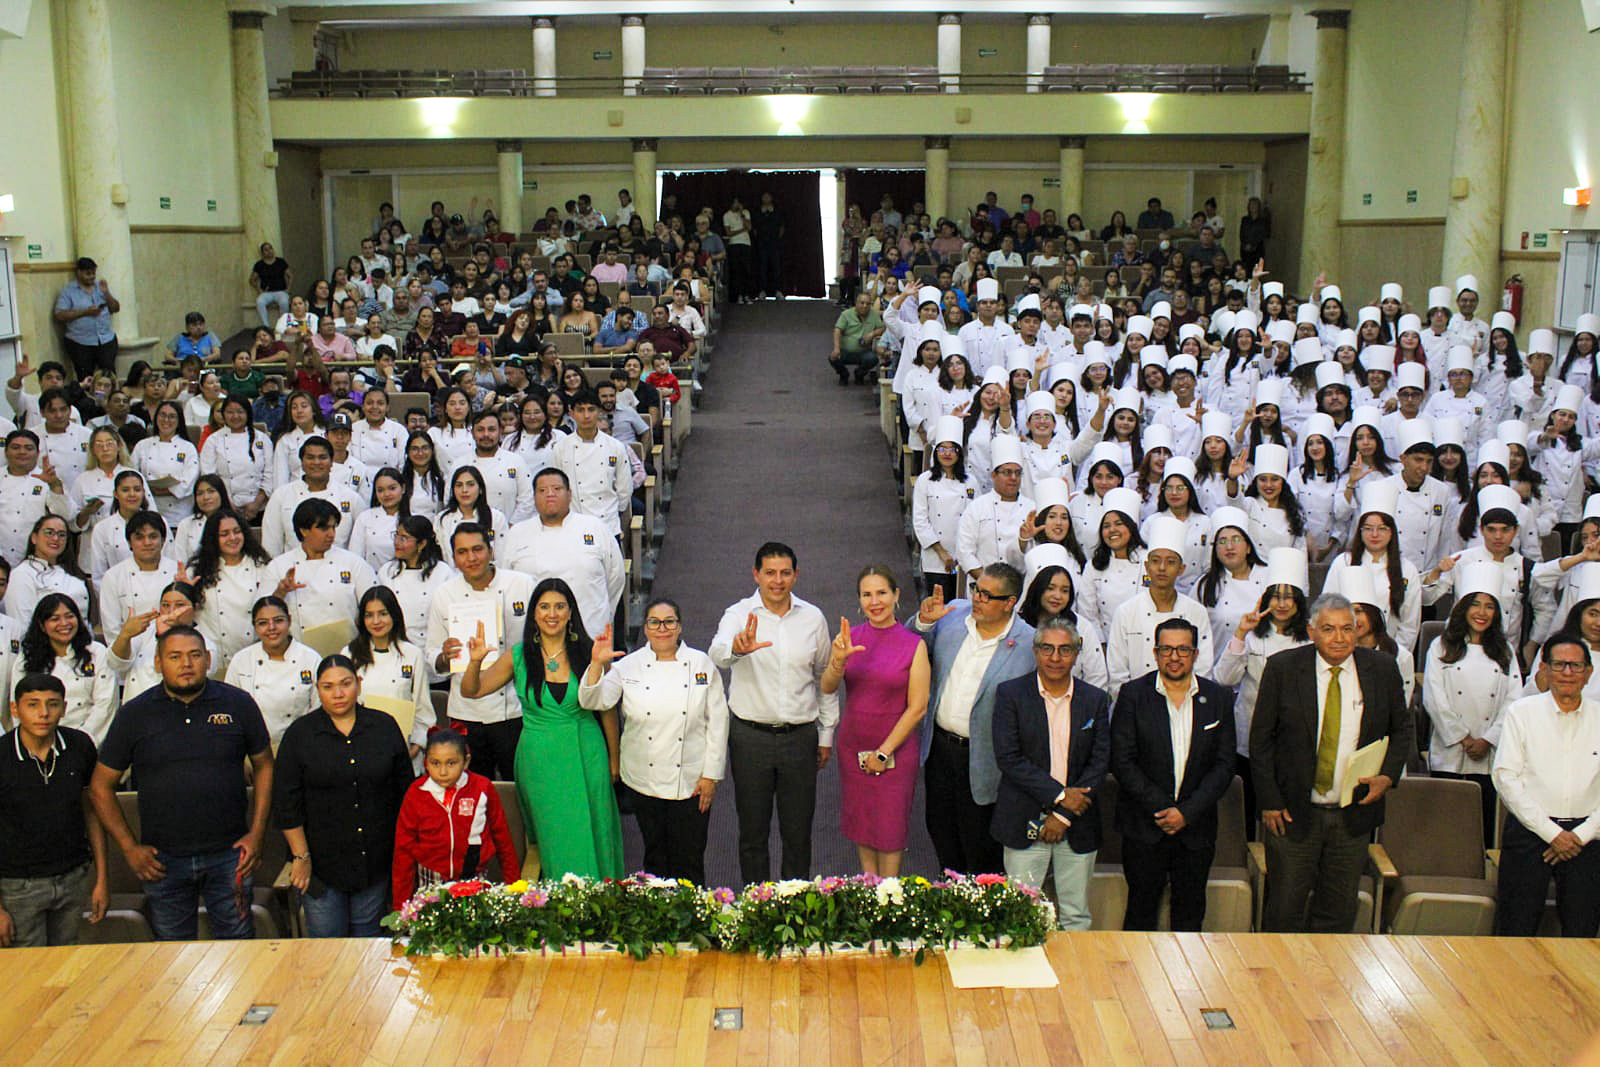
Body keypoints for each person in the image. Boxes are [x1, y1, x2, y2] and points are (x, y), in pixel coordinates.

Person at [89, 625, 273, 942]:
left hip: (230, 856)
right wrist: (130, 848)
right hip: (162, 861)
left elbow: (265, 766)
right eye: (175, 656)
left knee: (240, 948)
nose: (186, 664)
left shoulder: (238, 704)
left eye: (194, 655)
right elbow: (100, 786)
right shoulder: (135, 714)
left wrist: (256, 835)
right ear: (159, 663)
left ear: (208, 659)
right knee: (172, 956)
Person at [1250, 592, 1412, 933]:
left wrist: (1387, 777)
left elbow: (1402, 729)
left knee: (1338, 911)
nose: (1339, 638)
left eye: (1347, 629)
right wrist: (1270, 801)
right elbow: (1261, 740)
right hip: (1292, 813)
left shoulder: (1381, 669)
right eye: (1329, 629)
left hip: (1352, 815)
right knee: (1284, 909)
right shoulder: (1283, 668)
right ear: (1311, 631)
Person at [461, 577, 624, 880]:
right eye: (544, 606)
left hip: (587, 753)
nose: (552, 614)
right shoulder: (519, 656)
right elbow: (472, 691)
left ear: (570, 612)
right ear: (534, 614)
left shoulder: (590, 651)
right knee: (554, 835)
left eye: (560, 606)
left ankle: (601, 910)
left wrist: (614, 761)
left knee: (595, 828)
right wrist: (475, 663)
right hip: (540, 762)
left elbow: (607, 709)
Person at [709, 542, 838, 884]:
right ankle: (757, 908)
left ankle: (794, 912)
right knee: (752, 834)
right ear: (756, 574)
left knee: (798, 836)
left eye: (784, 573)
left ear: (796, 575)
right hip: (750, 738)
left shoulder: (813, 618)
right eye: (769, 573)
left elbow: (825, 677)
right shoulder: (738, 614)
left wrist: (826, 734)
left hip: (800, 738)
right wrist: (737, 648)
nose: (777, 581)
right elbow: (717, 653)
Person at [579, 597, 728, 885]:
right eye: (654, 622)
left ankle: (694, 920)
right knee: (655, 858)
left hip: (691, 779)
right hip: (643, 779)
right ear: (645, 629)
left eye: (669, 621)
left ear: (680, 626)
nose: (662, 628)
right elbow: (592, 700)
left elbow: (718, 723)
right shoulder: (629, 666)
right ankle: (657, 922)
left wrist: (711, 775)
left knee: (690, 858)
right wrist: (597, 665)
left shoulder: (701, 664)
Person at [1110, 617, 1237, 931]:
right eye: (1167, 649)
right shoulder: (1133, 695)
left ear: (1195, 654)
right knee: (1141, 914)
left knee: (1190, 915)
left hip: (1196, 829)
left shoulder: (1218, 698)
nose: (1174, 656)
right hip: (1144, 827)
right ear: (1155, 653)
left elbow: (1224, 765)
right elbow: (1122, 761)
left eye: (1183, 649)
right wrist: (1164, 808)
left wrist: (1186, 813)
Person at [274, 654, 413, 937]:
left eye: (345, 683)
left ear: (359, 685)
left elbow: (405, 793)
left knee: (369, 946)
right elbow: (287, 804)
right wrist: (301, 856)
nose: (338, 693)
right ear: (317, 689)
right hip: (322, 866)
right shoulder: (300, 735)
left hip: (375, 859)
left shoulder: (384, 726)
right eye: (328, 687)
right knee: (327, 947)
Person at [913, 563, 1037, 875]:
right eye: (976, 590)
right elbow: (910, 651)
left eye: (986, 595)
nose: (977, 599)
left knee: (980, 848)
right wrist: (924, 623)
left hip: (986, 760)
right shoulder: (952, 613)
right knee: (941, 833)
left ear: (1010, 603)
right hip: (940, 749)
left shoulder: (1029, 645)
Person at [989, 614, 1111, 930]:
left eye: (1064, 650)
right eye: (1047, 649)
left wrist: (1064, 815)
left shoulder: (1095, 700)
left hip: (1078, 823)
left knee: (1075, 916)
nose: (1055, 658)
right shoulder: (1010, 695)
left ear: (1076, 652)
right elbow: (1009, 758)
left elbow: (1099, 762)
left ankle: (1073, 980)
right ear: (1035, 651)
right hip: (1022, 818)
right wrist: (1059, 797)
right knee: (1021, 916)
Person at [821, 566, 930, 877]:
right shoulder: (848, 638)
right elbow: (827, 686)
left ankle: (889, 894)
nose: (875, 601)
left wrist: (884, 753)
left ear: (896, 595)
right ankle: (869, 893)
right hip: (854, 744)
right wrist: (838, 662)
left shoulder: (913, 644)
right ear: (859, 600)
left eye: (882, 592)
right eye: (867, 594)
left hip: (895, 748)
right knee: (862, 825)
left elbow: (918, 707)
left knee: (890, 827)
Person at [1493, 634, 1600, 937]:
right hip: (1531, 833)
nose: (1568, 673)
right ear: (1545, 669)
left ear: (1588, 672)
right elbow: (1505, 776)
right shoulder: (1522, 712)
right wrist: (1552, 834)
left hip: (1588, 839)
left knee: (1583, 932)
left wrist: (1578, 835)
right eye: (1560, 664)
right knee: (1516, 928)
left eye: (1576, 666)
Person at [0, 674, 108, 947]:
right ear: (15, 709)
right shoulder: (2, 755)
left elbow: (92, 813)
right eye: (33, 704)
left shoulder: (79, 746)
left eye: (52, 704)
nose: (43, 713)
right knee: (26, 973)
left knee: (70, 968)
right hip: (17, 885)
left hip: (73, 877)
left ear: (64, 707)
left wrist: (102, 879)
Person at [423, 524, 535, 781]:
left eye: (477, 549)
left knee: (519, 783)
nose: (471, 558)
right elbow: (432, 655)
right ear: (453, 558)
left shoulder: (522, 584)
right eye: (462, 552)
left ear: (490, 550)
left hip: (516, 706)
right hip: (467, 709)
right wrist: (444, 656)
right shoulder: (444, 594)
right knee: (473, 788)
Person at [1422, 564, 1522, 843]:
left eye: (1489, 606)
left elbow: (1514, 699)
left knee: (1481, 829)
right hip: (1450, 750)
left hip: (1489, 754)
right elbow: (1434, 698)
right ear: (1463, 608)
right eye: (1475, 604)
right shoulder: (1441, 646)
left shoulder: (1505, 650)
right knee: (1444, 827)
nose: (1482, 612)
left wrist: (1488, 739)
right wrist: (1463, 738)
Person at [391, 729, 520, 903]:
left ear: (466, 762)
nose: (443, 771)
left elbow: (502, 839)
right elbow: (403, 851)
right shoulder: (416, 793)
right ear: (425, 763)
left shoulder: (482, 788)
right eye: (435, 763)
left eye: (451, 763)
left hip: (474, 878)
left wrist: (514, 886)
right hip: (431, 881)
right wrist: (401, 905)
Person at [500, 468, 624, 641]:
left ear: (569, 494)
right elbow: (506, 582)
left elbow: (615, 578)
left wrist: (601, 615)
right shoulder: (516, 534)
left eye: (557, 489)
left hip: (590, 631)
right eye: (542, 491)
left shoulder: (595, 527)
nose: (550, 494)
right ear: (534, 497)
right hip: (535, 637)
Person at [1105, 514, 1214, 699]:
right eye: (1155, 561)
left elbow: (1203, 669)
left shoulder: (1197, 612)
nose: (1162, 568)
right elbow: (1117, 673)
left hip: (1185, 704)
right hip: (1135, 707)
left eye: (1171, 562)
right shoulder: (1126, 612)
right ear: (1147, 566)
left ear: (1181, 569)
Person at [263, 498, 378, 640]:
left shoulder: (354, 563)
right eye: (324, 528)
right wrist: (280, 592)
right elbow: (262, 615)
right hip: (298, 655)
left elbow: (375, 604)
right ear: (304, 530)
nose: (331, 534)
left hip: (347, 651)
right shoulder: (278, 566)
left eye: (333, 527)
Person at [223, 596, 321, 746]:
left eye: (278, 620)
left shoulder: (310, 658)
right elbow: (230, 707)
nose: (271, 628)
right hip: (253, 747)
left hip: (301, 745)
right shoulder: (241, 660)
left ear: (289, 620)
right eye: (262, 623)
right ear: (254, 627)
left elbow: (318, 710)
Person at [551, 389, 633, 537]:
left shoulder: (615, 447)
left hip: (608, 524)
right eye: (580, 410)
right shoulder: (561, 448)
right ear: (572, 413)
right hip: (573, 524)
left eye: (591, 409)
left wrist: (613, 511)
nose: (586, 415)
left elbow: (624, 489)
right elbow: (557, 486)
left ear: (599, 411)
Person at [54, 258, 120, 380]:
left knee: (108, 376)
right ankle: (89, 399)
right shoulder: (68, 292)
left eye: (93, 273)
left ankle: (106, 398)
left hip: (105, 340)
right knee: (86, 378)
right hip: (80, 342)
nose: (92, 277)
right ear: (79, 272)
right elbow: (59, 315)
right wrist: (85, 312)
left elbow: (115, 308)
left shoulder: (100, 288)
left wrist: (107, 293)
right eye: (88, 273)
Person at [250, 243, 292, 327]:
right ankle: (266, 326)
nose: (269, 251)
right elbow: (252, 280)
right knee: (259, 302)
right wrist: (259, 290)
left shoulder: (281, 262)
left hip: (281, 291)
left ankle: (282, 325)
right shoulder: (259, 265)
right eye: (266, 250)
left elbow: (290, 275)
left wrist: (288, 289)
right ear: (262, 253)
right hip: (266, 293)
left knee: (284, 302)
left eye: (270, 248)